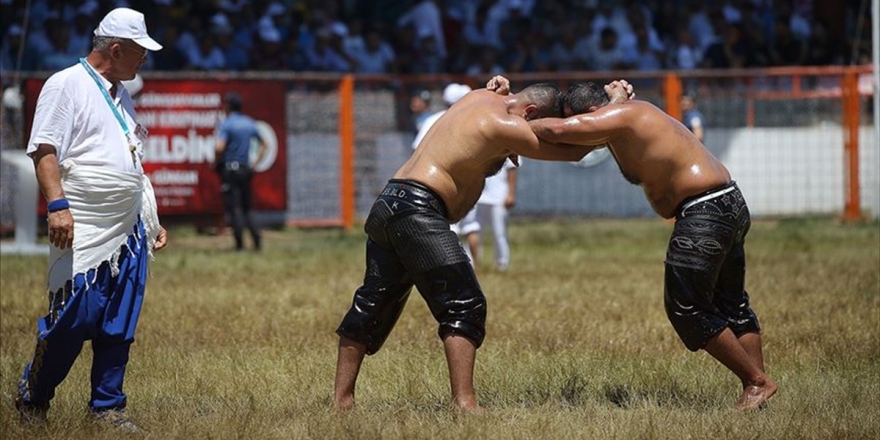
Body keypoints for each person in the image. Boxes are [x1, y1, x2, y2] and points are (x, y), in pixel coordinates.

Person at [333, 76, 634, 412]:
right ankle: (464, 403)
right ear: (530, 111)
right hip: (419, 211)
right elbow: (576, 149)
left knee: (372, 303)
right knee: (465, 303)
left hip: (389, 203)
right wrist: (617, 106)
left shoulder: (479, 97)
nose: (539, 131)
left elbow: (500, 98)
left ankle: (341, 401)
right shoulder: (505, 124)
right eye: (538, 124)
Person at [528, 82, 777, 411]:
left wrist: (510, 125)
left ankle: (757, 383)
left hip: (705, 211)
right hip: (724, 203)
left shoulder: (625, 115)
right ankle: (756, 389)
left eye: (584, 123)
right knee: (732, 306)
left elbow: (559, 131)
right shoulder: (620, 119)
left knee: (686, 308)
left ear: (590, 114)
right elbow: (577, 137)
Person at [15, 7, 167, 432]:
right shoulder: (66, 84)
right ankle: (34, 396)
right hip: (84, 219)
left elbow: (132, 159)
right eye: (140, 51)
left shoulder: (123, 93)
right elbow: (44, 149)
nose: (145, 59)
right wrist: (58, 205)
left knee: (121, 318)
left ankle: (108, 405)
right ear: (116, 49)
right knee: (74, 314)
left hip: (128, 224)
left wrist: (151, 218)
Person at [215, 92, 267, 252]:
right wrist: (254, 163)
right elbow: (265, 143)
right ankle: (257, 242)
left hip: (231, 169)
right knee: (248, 207)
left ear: (229, 106)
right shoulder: (249, 123)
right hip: (246, 168)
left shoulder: (227, 124)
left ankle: (240, 246)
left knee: (235, 208)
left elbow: (219, 148)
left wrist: (216, 162)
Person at [458, 158, 518, 272]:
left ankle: (502, 263)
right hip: (477, 196)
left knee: (499, 232)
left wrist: (511, 194)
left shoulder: (509, 144)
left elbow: (513, 170)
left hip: (499, 197)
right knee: (471, 229)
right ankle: (471, 262)